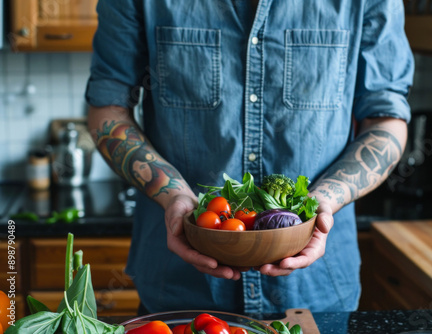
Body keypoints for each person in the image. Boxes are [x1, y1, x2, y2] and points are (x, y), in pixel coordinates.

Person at [86, 0, 414, 315]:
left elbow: (385, 119)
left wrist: (323, 201)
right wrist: (174, 196)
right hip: (180, 291)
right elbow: (108, 110)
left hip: (317, 293)